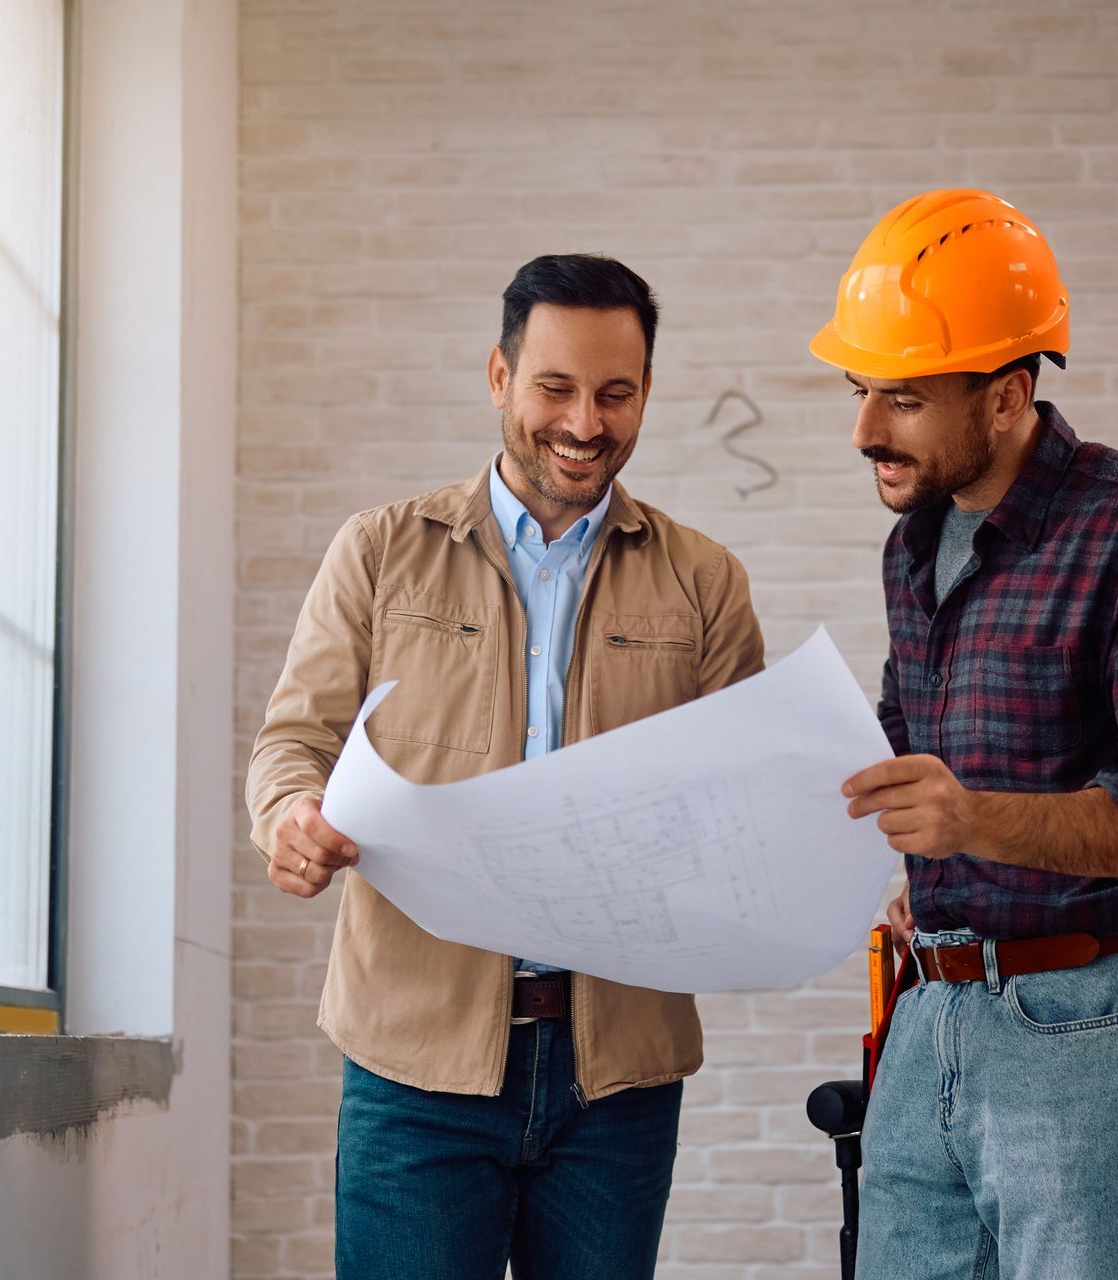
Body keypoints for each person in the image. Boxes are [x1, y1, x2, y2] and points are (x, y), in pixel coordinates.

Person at [246, 253, 764, 1279]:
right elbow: (291, 741)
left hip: (616, 1074)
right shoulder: (380, 551)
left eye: (616, 394)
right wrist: (291, 813)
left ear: (647, 393)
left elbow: (741, 800)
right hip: (415, 1062)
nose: (584, 422)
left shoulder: (705, 581)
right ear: (499, 376)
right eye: (556, 387)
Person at [814, 190, 1118, 1278]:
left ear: (1009, 397)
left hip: (1094, 1028)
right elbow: (911, 730)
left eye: (905, 398)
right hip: (933, 1020)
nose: (867, 429)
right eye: (862, 389)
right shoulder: (914, 545)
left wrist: (969, 820)